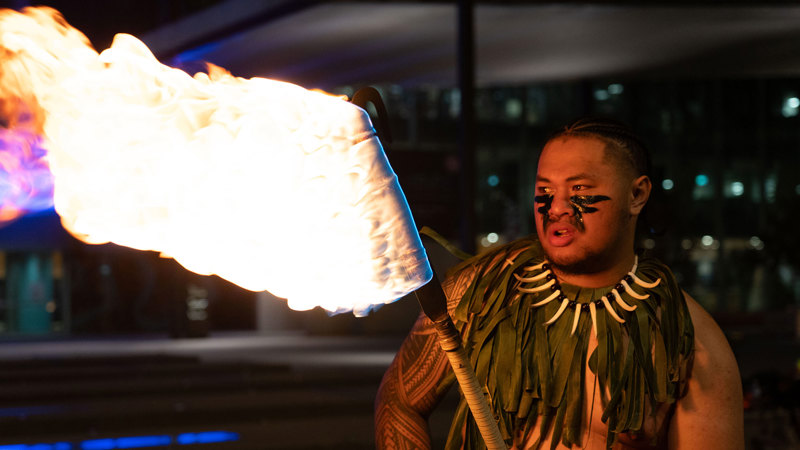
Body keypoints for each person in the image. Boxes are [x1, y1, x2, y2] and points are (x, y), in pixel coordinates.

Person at [375, 118, 743, 449]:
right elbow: (399, 400)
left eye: (580, 190)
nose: (557, 208)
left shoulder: (687, 339)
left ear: (637, 195)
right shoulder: (481, 292)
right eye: (545, 190)